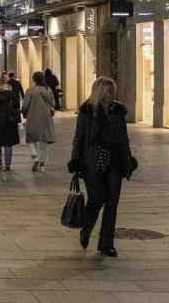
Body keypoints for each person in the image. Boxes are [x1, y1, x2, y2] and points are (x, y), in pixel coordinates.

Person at [68, 78, 133, 257]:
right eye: (107, 91)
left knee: (112, 203)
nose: (110, 95)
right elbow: (79, 138)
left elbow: (124, 138)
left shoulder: (118, 111)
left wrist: (128, 161)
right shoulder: (87, 110)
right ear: (99, 92)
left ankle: (106, 244)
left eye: (112, 91)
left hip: (115, 161)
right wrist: (76, 161)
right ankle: (86, 229)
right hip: (92, 161)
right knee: (96, 199)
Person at [22, 72, 55, 172]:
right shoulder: (48, 90)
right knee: (44, 142)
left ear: (34, 79)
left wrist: (24, 113)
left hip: (33, 116)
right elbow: (53, 103)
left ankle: (35, 156)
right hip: (46, 117)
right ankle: (42, 165)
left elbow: (25, 104)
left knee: (32, 138)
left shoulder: (30, 90)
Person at [0, 73, 20, 173]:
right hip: (9, 121)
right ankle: (7, 165)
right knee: (8, 143)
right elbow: (17, 105)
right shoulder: (11, 93)